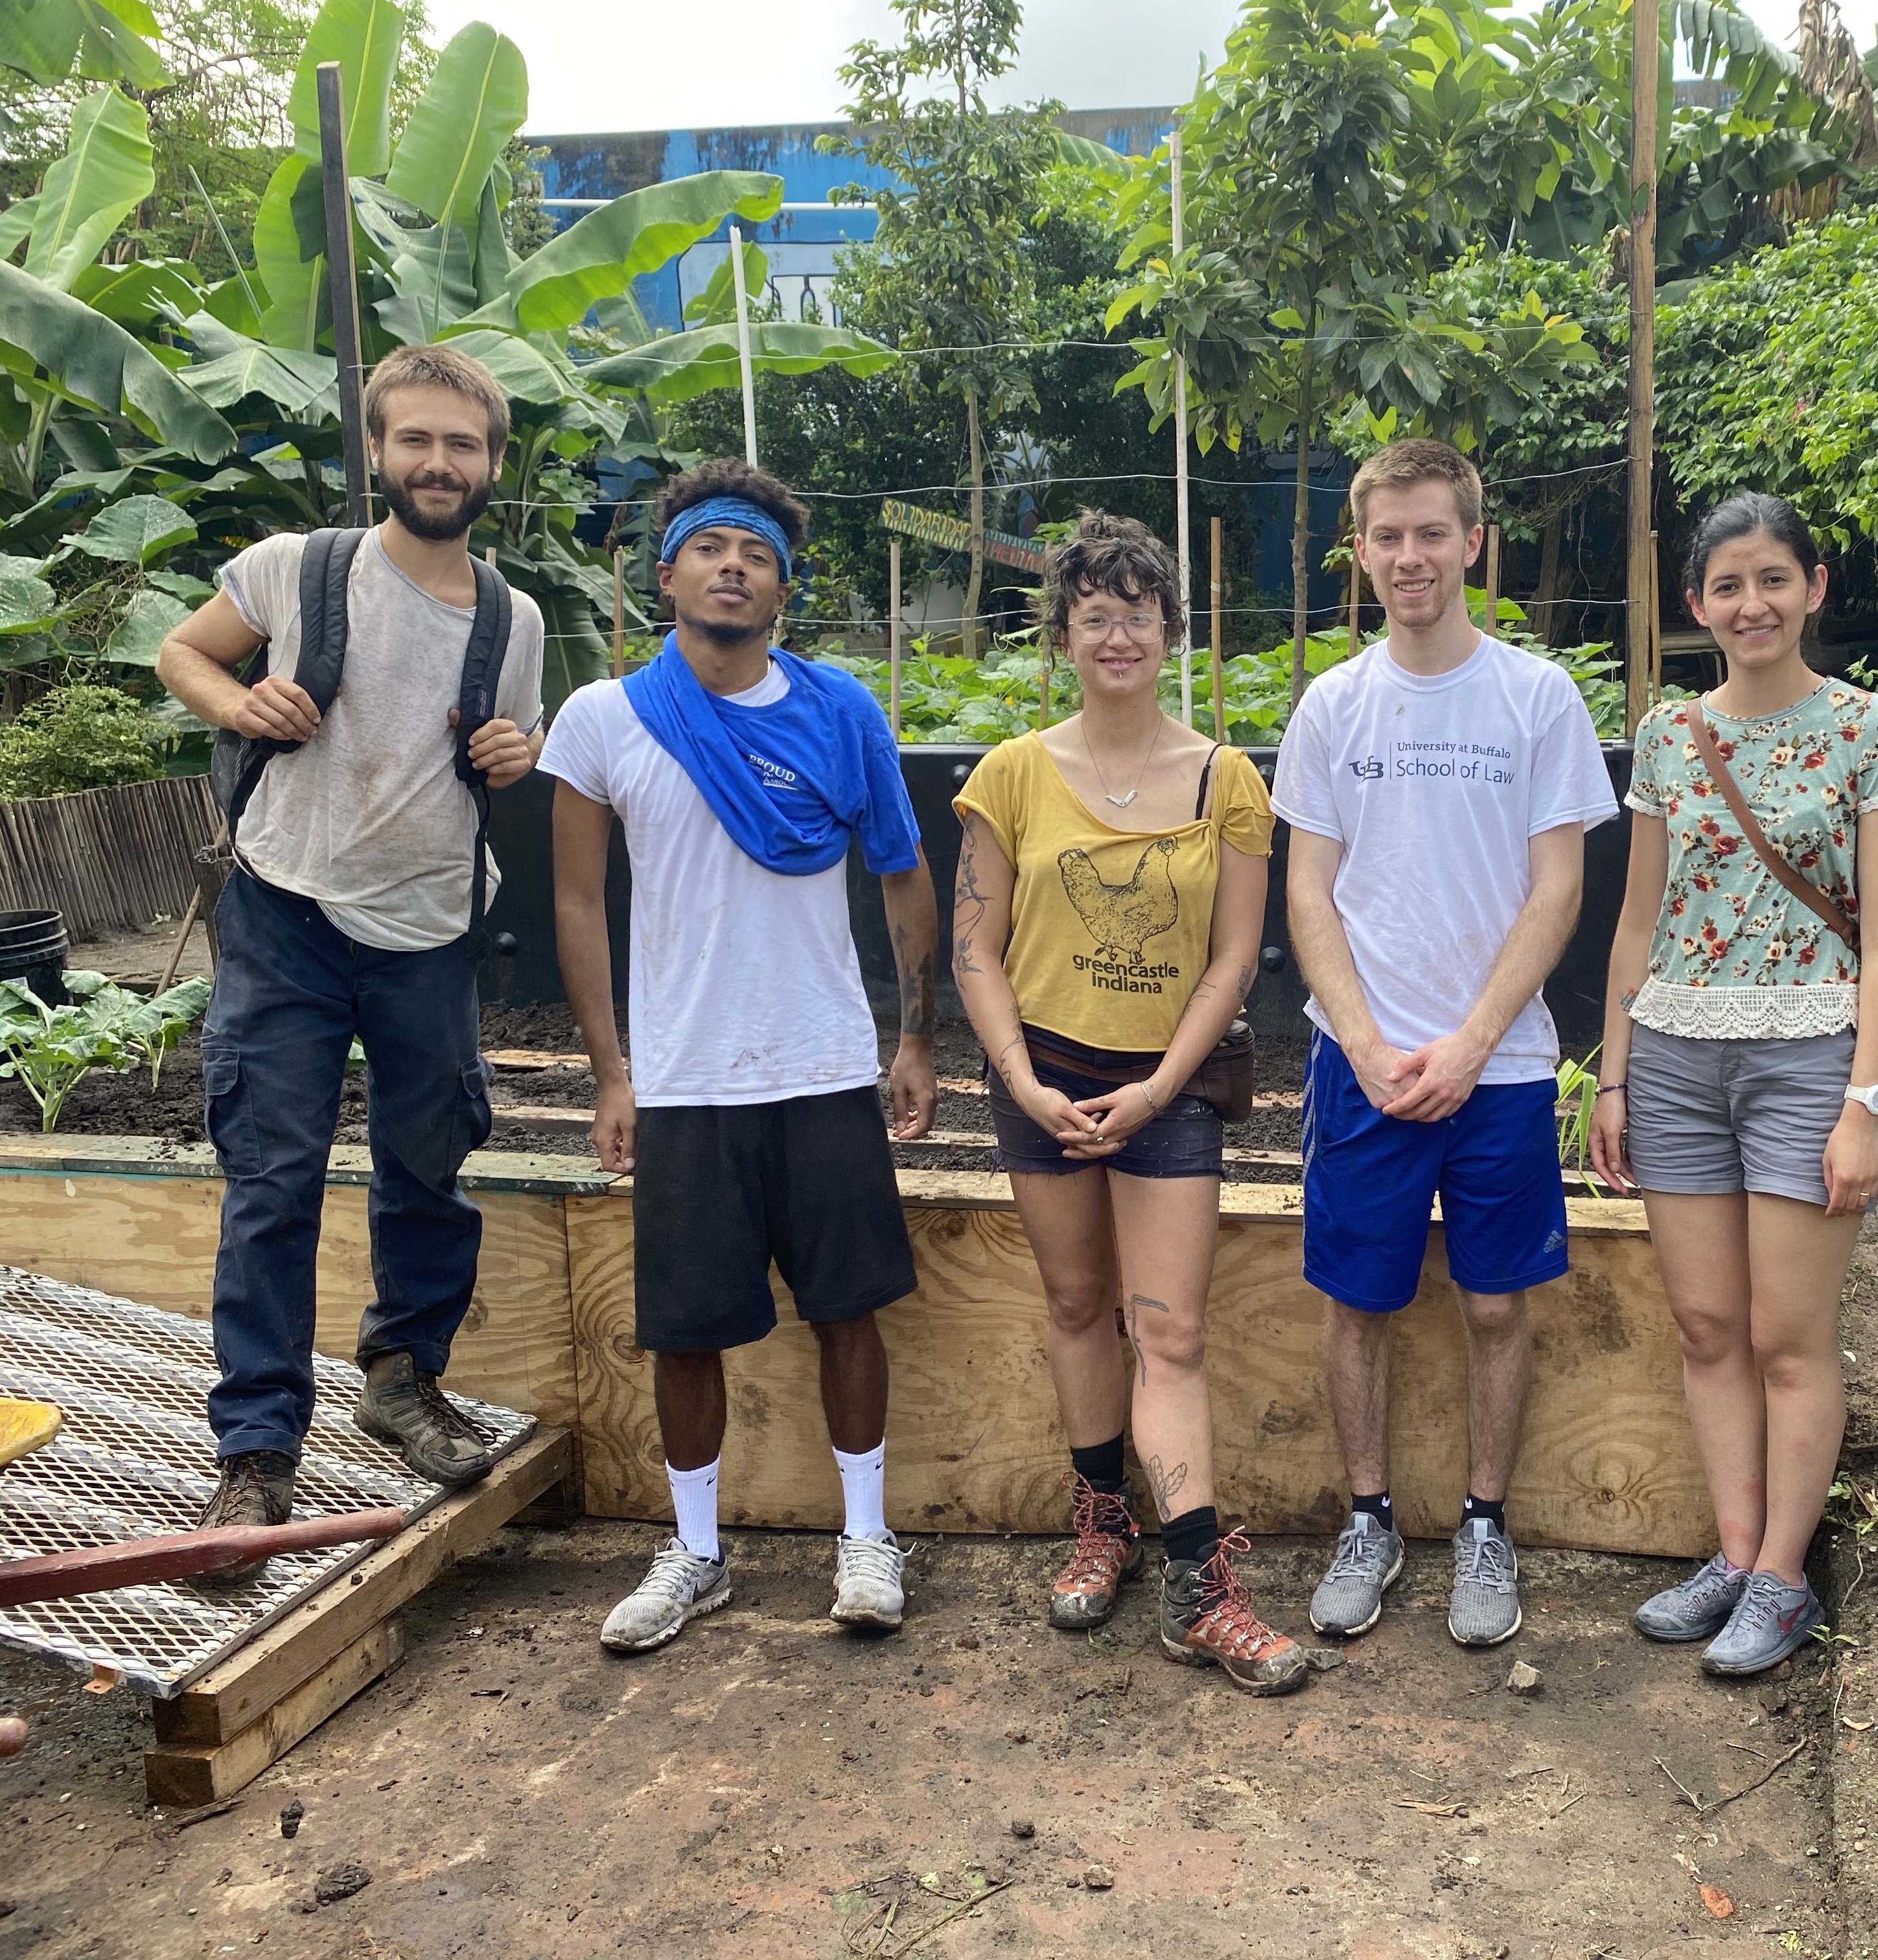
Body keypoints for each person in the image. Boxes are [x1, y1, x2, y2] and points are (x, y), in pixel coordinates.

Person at [158, 344, 544, 1567]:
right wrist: (237, 704)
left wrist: (515, 754)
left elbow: (509, 743)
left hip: (431, 927)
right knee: (272, 1181)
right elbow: (183, 653)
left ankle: (402, 1377)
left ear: (491, 464)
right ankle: (256, 1452)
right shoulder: (297, 568)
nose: (439, 462)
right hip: (288, 913)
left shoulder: (514, 616)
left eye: (463, 444)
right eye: (416, 439)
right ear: (377, 449)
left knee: (428, 1167)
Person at [543, 460, 938, 1651]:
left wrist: (916, 1036)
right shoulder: (605, 718)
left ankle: (865, 1537)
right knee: (684, 1328)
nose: (733, 568)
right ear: (667, 576)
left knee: (850, 1310)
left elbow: (904, 874)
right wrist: (612, 1075)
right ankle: (696, 1553)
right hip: (683, 1080)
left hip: (824, 1067)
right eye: (712, 549)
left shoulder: (843, 712)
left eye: (757, 554)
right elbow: (576, 902)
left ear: (783, 587)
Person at [951, 512, 1308, 1695]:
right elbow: (976, 950)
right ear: (1061, 636)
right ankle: (1101, 1526)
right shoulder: (1009, 775)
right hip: (1040, 1076)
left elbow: (1235, 957)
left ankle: (1200, 1585)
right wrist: (1023, 1083)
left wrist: (1158, 1088)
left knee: (1172, 1331)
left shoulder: (1225, 779)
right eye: (1095, 616)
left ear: (1171, 632)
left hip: (1173, 1082)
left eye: (1139, 615)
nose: (1118, 636)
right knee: (1074, 1303)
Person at [1281, 439, 1618, 1649]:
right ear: (1362, 550)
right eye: (1388, 536)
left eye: (1432, 532)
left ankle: (1485, 1524)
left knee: (1493, 1307)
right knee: (1357, 1302)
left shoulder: (1537, 698)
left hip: (1504, 1071)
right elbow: (1309, 892)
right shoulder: (1334, 704)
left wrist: (1473, 1042)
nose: (1409, 556)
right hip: (1361, 1067)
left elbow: (1559, 890)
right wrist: (1368, 1045)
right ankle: (1368, 1520)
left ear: (1475, 541)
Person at [1590, 494, 1878, 1676]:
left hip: (1809, 1057)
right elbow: (1638, 922)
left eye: (1773, 579)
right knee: (1707, 1325)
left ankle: (1785, 1576)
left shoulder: (1872, 731)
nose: (1752, 605)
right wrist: (1613, 1077)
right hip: (1676, 1057)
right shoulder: (1669, 734)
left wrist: (1866, 1104)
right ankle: (1734, 1555)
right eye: (1727, 586)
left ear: (1813, 587)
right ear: (1698, 604)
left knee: (1789, 1335)